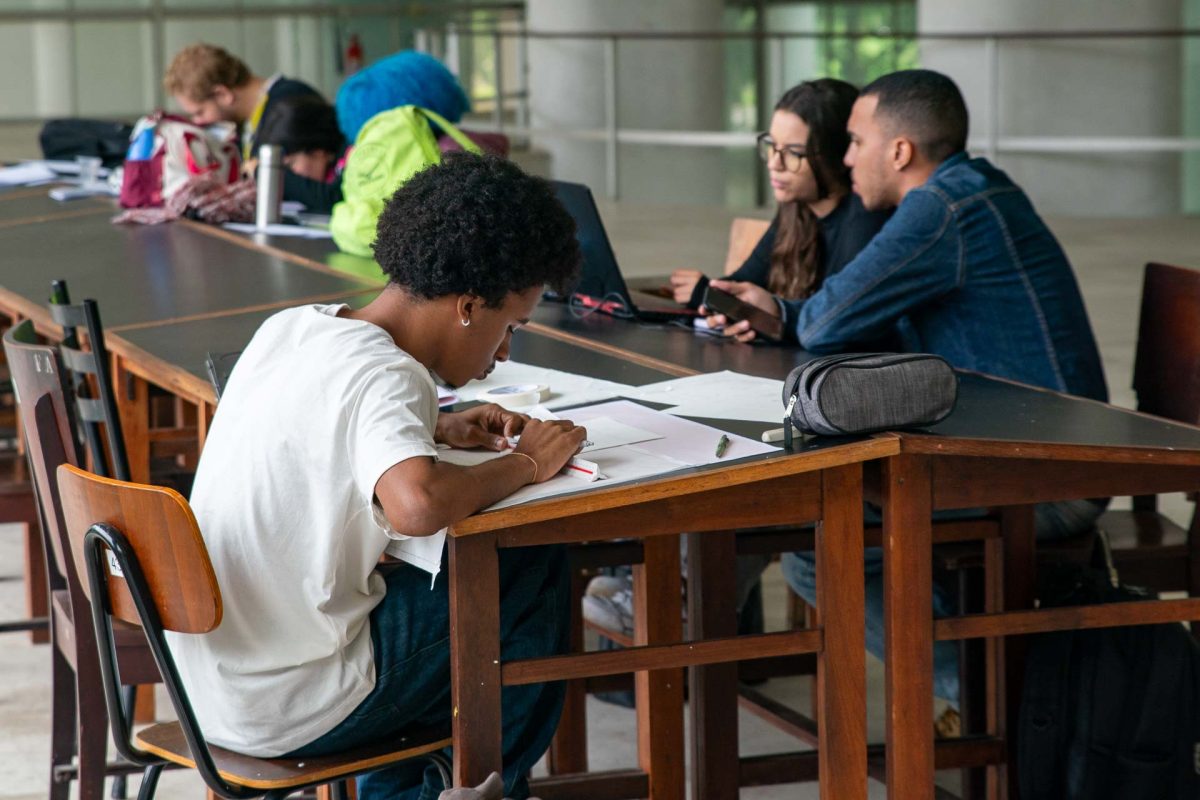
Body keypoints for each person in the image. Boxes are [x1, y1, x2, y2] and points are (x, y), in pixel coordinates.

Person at [165, 153, 586, 800]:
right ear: (468, 307)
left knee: (448, 595)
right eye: (510, 328)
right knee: (527, 560)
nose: (504, 353)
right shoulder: (392, 374)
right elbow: (417, 506)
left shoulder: (294, 328)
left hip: (210, 687)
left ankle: (424, 786)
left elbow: (319, 424)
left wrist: (435, 428)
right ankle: (478, 789)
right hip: (291, 701)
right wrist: (527, 462)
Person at [709, 69, 1109, 717]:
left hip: (1046, 477)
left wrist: (793, 315)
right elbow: (841, 322)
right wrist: (782, 313)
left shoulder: (941, 209)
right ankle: (987, 690)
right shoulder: (969, 192)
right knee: (813, 528)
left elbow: (830, 321)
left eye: (855, 142)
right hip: (1022, 454)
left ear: (899, 151)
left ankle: (991, 705)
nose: (845, 159)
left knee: (816, 538)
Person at [669, 79, 890, 310]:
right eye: (772, 146)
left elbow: (833, 313)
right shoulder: (796, 208)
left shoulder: (867, 217)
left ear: (840, 155)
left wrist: (711, 296)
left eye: (793, 153)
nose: (774, 163)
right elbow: (746, 281)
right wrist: (709, 293)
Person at [164, 42, 323, 161]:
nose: (197, 122)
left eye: (200, 112)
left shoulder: (291, 103)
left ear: (223, 94)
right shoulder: (247, 125)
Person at [255, 94, 347, 214]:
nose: (290, 175)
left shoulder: (353, 155)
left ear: (317, 151)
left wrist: (269, 172)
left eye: (290, 165)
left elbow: (336, 198)